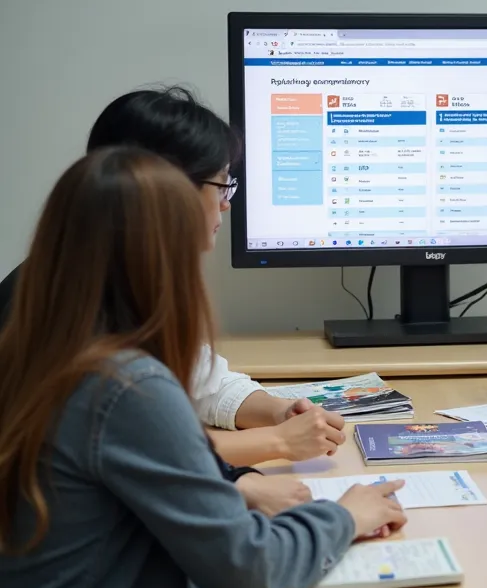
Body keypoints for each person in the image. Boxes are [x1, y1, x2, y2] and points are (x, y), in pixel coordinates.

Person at [0, 148, 408, 588]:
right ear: (163, 262)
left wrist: (230, 496)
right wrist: (348, 515)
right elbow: (251, 570)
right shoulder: (126, 388)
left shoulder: (34, 352)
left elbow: (98, 502)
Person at [0, 86, 340, 514]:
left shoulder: (116, 277)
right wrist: (273, 446)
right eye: (222, 185)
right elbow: (130, 446)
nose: (226, 204)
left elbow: (199, 379)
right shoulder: (63, 309)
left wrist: (275, 412)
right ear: (161, 188)